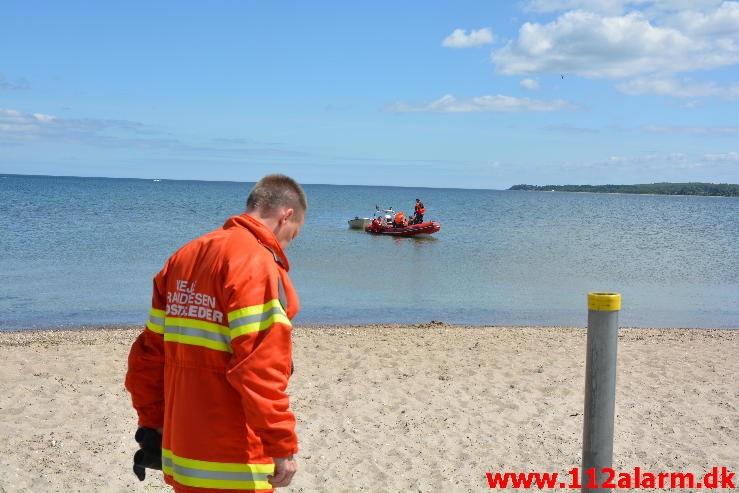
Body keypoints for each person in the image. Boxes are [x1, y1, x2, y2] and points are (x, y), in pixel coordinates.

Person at [125, 174, 307, 492]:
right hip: (235, 459)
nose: (287, 244)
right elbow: (259, 368)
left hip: (182, 453)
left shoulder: (184, 257)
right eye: (292, 235)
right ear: (286, 215)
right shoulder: (256, 262)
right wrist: (281, 443)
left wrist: (152, 422)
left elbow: (148, 356)